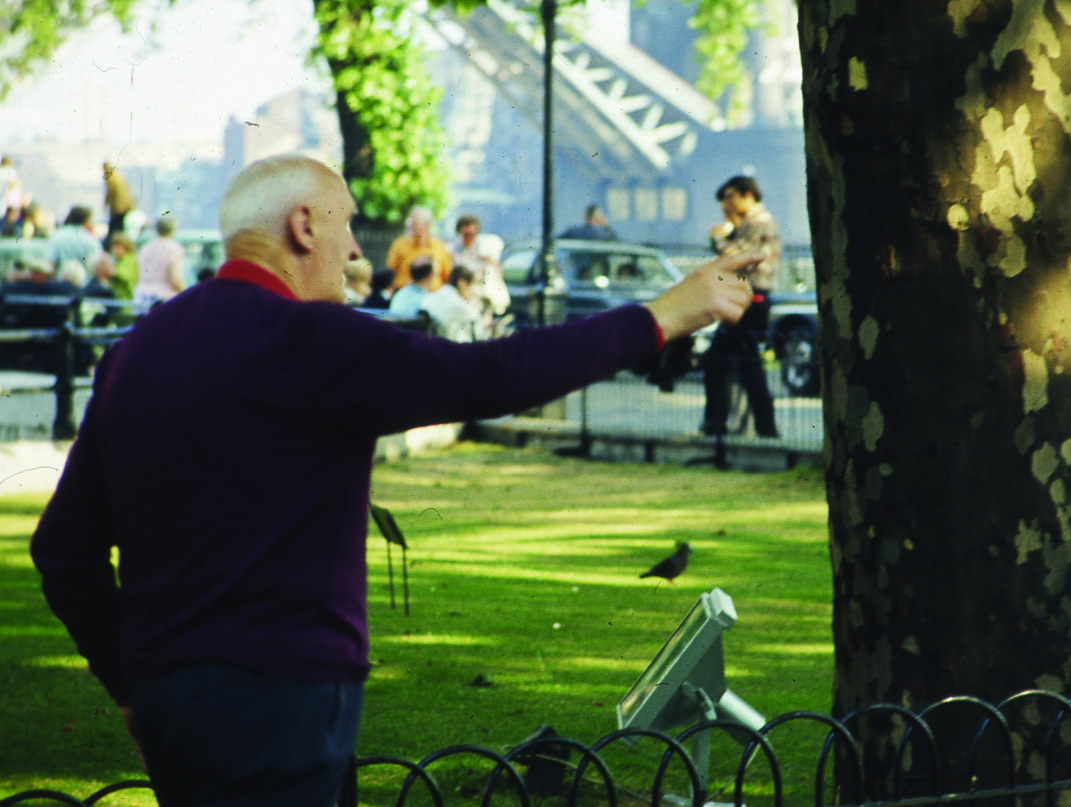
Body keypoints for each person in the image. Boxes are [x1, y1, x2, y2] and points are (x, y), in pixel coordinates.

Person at [28, 152, 757, 805]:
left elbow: (63, 547)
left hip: (171, 696)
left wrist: (132, 683)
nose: (355, 250)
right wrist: (665, 314)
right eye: (345, 225)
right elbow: (490, 375)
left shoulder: (138, 350)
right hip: (281, 695)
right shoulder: (310, 339)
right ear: (303, 225)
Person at [701, 175, 781, 438]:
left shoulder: (759, 222)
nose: (726, 204)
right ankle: (726, 425)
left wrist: (717, 238)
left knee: (742, 365)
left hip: (750, 300)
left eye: (730, 197)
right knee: (730, 363)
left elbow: (734, 257)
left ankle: (748, 428)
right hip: (747, 299)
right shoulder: (750, 223)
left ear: (748, 195)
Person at [385, 205, 452, 291]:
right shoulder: (399, 245)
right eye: (411, 223)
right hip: (406, 293)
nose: (412, 226)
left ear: (427, 225)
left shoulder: (439, 246)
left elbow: (446, 275)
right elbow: (390, 272)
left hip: (433, 294)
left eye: (416, 223)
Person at [421, 264, 486, 342]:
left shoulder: (439, 293)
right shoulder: (459, 305)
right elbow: (477, 321)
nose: (473, 292)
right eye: (472, 286)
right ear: (461, 283)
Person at [133, 215, 186, 307]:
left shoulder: (145, 247)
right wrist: (185, 293)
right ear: (173, 230)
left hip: (141, 296)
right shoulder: (174, 249)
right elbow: (175, 278)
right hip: (162, 298)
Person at [46, 206, 102, 276]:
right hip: (84, 281)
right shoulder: (91, 240)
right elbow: (96, 265)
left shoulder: (57, 235)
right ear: (86, 221)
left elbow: (50, 263)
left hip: (61, 279)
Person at [103, 162, 136, 241]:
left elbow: (110, 192)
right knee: (120, 227)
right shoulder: (120, 176)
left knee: (115, 229)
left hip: (118, 207)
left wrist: (105, 204)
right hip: (126, 207)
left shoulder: (110, 177)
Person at [105, 233, 138, 300]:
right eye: (113, 247)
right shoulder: (117, 260)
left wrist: (112, 271)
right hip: (119, 298)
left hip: (128, 299)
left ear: (126, 247)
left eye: (118, 248)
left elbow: (126, 276)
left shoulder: (130, 259)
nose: (115, 251)